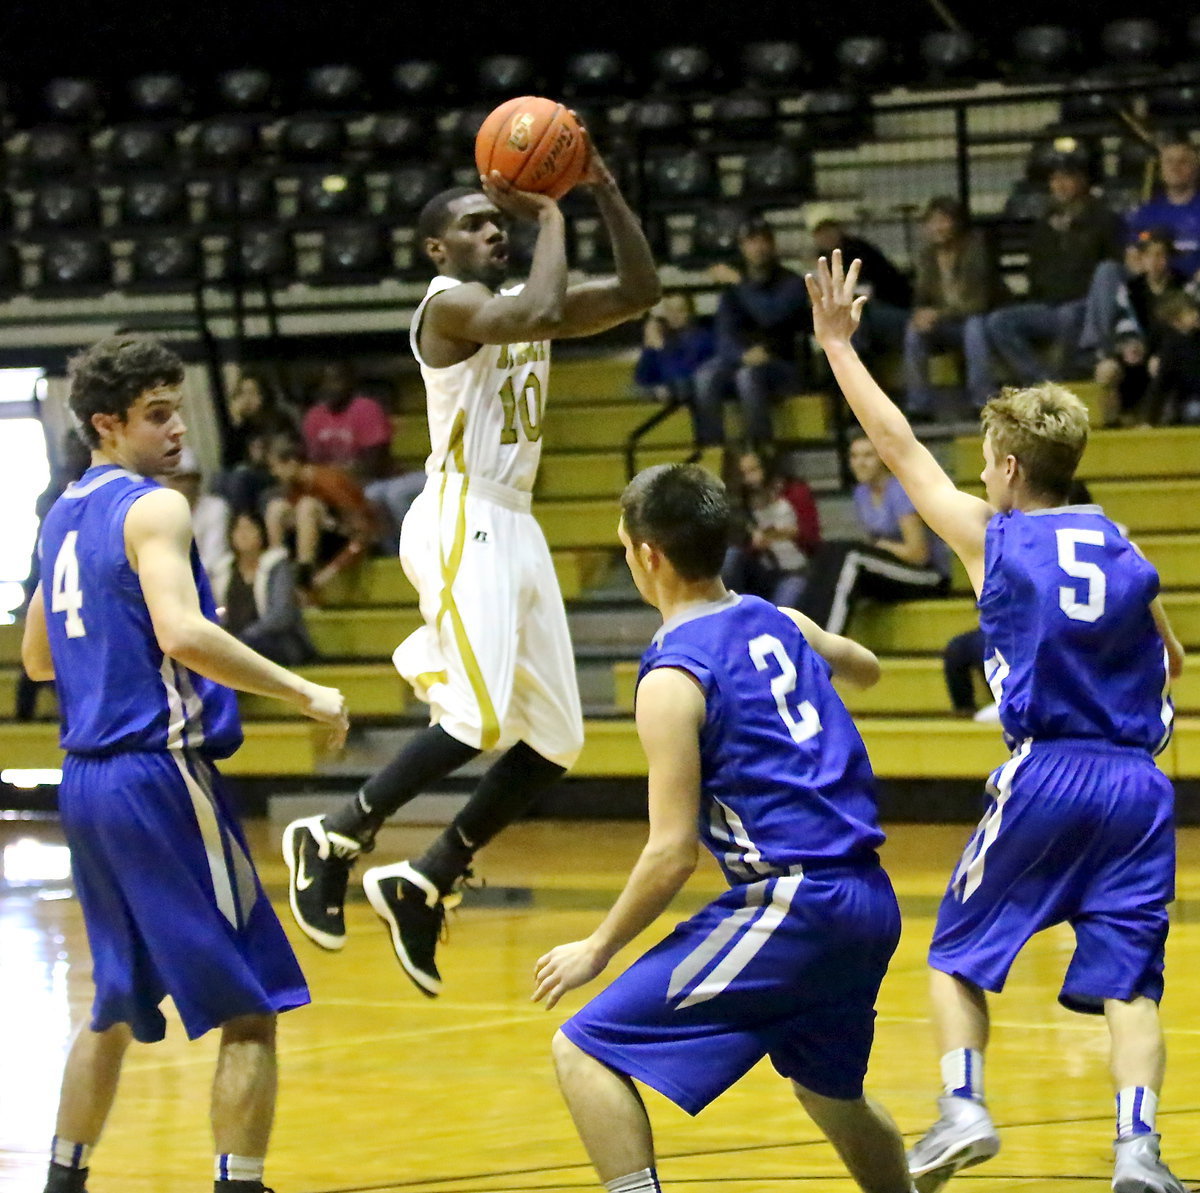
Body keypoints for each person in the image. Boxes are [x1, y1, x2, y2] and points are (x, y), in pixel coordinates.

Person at [807, 250, 1187, 1193]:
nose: (978, 473)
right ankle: (1138, 1152)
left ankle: (962, 1108)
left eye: (984, 461)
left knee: (954, 956)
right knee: (1130, 983)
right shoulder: (1122, 541)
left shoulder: (996, 534)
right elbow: (1173, 655)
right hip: (1141, 784)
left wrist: (839, 349)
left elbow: (897, 446)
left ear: (1010, 468)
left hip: (1049, 768)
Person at [281, 132, 661, 997]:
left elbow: (642, 291)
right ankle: (336, 833)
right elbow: (530, 315)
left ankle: (427, 876)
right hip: (461, 515)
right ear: (436, 248)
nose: (495, 231)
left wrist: (602, 191)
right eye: (477, 223)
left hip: (515, 524)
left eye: (501, 221)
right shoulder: (448, 305)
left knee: (557, 737)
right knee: (478, 716)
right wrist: (551, 211)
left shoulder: (531, 296)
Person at [20, 334, 348, 1193]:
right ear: (106, 423)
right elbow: (184, 633)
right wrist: (305, 692)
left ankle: (63, 1180)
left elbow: (38, 659)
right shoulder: (151, 507)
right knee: (252, 1005)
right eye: (157, 415)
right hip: (157, 775)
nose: (177, 431)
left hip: (84, 783)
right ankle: (239, 1185)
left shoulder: (61, 511)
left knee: (116, 1001)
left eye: (177, 409)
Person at [534, 462, 915, 1193]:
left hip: (797, 904)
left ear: (648, 555)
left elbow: (672, 852)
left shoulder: (672, 678)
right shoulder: (779, 619)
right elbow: (863, 666)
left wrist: (598, 946)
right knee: (830, 1091)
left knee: (583, 1051)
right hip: (870, 899)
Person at [985, 160, 1124, 388]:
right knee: (998, 321)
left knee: (1069, 317)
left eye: (1066, 178)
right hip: (1049, 305)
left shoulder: (1104, 220)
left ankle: (1068, 378)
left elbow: (1109, 271)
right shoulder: (1044, 224)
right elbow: (1035, 271)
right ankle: (1043, 382)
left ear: (1082, 181)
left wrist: (1074, 234)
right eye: (1054, 179)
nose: (1059, 185)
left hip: (1085, 306)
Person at [798, 435, 949, 635]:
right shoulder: (861, 493)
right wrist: (877, 547)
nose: (859, 463)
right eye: (854, 456)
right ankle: (801, 634)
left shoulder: (901, 489)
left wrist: (881, 546)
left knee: (851, 556)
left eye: (868, 456)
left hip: (928, 576)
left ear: (883, 459)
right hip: (892, 570)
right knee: (830, 550)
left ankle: (826, 648)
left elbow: (918, 554)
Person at [692, 219, 810, 447]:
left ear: (773, 245)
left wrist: (740, 282)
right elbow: (723, 333)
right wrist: (741, 356)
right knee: (705, 375)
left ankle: (761, 448)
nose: (758, 247)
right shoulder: (734, 289)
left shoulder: (792, 283)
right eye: (751, 241)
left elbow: (770, 315)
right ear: (742, 247)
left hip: (783, 364)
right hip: (744, 359)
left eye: (763, 240)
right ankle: (712, 450)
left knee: (747, 376)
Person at [903, 198, 1003, 418]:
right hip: (945, 325)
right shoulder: (927, 256)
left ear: (957, 223)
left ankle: (983, 400)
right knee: (914, 331)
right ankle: (918, 406)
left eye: (944, 220)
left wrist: (939, 313)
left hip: (980, 320)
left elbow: (979, 303)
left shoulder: (976, 250)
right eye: (933, 221)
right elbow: (922, 297)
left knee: (974, 328)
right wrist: (920, 315)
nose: (938, 227)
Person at [263, 437, 378, 593]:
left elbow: (363, 534)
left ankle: (304, 575)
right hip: (323, 536)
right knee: (276, 508)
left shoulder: (330, 482)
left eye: (275, 466)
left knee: (307, 506)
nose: (273, 473)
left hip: (348, 541)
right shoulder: (294, 487)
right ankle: (277, 571)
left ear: (292, 463)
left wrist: (331, 571)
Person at [210, 511, 317, 666]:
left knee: (245, 649)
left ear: (262, 533)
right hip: (232, 641)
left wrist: (245, 636)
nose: (243, 534)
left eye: (249, 529)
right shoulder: (222, 570)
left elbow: (281, 615)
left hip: (277, 640)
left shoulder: (276, 565)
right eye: (238, 529)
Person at [811, 216, 911, 363]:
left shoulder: (858, 251)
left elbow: (865, 292)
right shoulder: (825, 256)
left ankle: (856, 368)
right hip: (870, 308)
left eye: (828, 233)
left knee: (854, 318)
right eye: (821, 235)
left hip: (891, 307)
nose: (825, 239)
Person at [722, 449, 810, 607]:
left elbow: (814, 539)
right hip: (763, 570)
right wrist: (754, 545)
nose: (750, 479)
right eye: (743, 474)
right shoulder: (740, 505)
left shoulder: (794, 493)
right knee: (731, 556)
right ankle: (734, 612)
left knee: (783, 607)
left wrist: (793, 534)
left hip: (794, 569)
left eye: (754, 470)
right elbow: (739, 547)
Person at [633, 292, 715, 440]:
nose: (675, 315)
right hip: (669, 393)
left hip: (692, 395)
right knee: (633, 391)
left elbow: (683, 374)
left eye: (680, 310)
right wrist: (649, 347)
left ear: (690, 311)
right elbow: (642, 378)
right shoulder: (665, 338)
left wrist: (659, 348)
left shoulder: (703, 337)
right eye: (670, 311)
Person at [215, 373, 299, 516]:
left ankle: (245, 523)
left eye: (252, 393)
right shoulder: (242, 428)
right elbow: (227, 462)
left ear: (264, 395)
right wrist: (236, 422)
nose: (247, 399)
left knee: (241, 478)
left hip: (273, 475)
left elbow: (285, 456)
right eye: (243, 393)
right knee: (218, 479)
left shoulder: (279, 421)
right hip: (249, 477)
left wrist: (264, 457)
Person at [300, 361, 393, 482]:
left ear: (351, 382)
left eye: (336, 380)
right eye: (324, 382)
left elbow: (374, 464)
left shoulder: (367, 409)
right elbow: (311, 461)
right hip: (327, 483)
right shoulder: (314, 416)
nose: (330, 387)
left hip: (369, 482)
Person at [1127, 138, 1200, 280]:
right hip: (1155, 289)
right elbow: (1133, 254)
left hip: (1194, 288)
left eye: (1183, 162)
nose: (1175, 167)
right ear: (1161, 169)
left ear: (1196, 168)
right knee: (1108, 269)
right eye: (1169, 161)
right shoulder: (1145, 212)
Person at [1141, 292, 1200, 427]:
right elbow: (1161, 384)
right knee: (1194, 410)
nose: (1196, 314)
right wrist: (1149, 421)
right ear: (1175, 321)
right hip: (1190, 401)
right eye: (1189, 312)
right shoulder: (1172, 347)